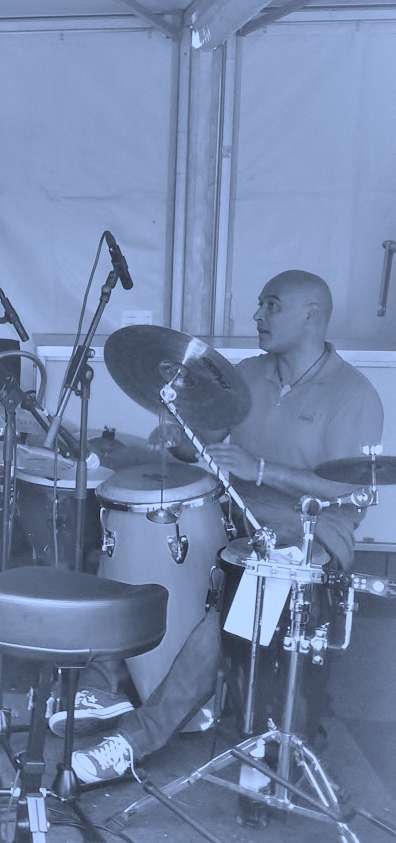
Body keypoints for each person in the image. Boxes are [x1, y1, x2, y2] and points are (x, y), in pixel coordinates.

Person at [69, 270, 383, 789]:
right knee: (145, 536)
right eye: (259, 303)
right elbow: (203, 440)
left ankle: (133, 741)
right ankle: (102, 686)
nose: (257, 315)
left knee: (238, 600)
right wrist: (177, 435)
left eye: (272, 305)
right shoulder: (247, 375)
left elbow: (348, 490)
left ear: (312, 314)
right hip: (233, 517)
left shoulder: (354, 393)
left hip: (310, 539)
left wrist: (260, 470)